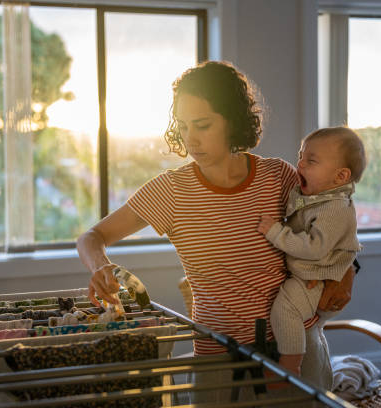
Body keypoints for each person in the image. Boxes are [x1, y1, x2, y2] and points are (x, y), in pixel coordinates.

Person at [76, 61, 356, 400]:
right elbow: (91, 237)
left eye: (203, 125)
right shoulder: (171, 191)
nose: (190, 138)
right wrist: (100, 266)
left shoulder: (278, 177)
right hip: (219, 356)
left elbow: (336, 217)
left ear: (233, 120)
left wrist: (347, 273)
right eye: (183, 125)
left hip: (296, 347)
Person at [257, 126, 366, 377]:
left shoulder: (333, 207)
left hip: (314, 281)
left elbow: (314, 248)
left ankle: (291, 365)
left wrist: (275, 232)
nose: (300, 164)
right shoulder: (315, 196)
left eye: (311, 160)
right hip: (309, 275)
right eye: (301, 156)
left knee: (285, 308)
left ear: (340, 177)